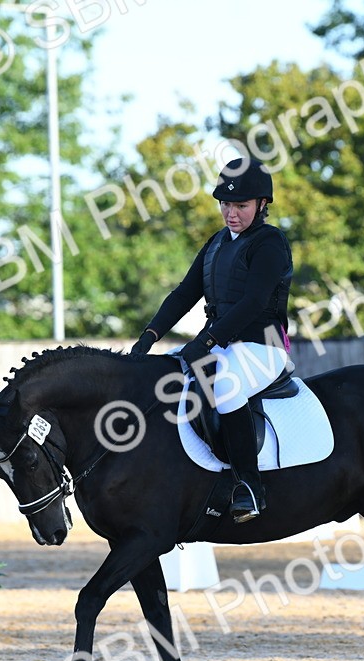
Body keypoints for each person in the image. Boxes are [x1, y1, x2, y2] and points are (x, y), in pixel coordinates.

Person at [131, 157, 293, 523]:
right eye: (226, 204)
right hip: (220, 343)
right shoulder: (217, 243)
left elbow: (253, 302)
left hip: (262, 346)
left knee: (225, 387)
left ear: (262, 204)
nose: (231, 213)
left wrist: (204, 342)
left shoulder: (270, 243)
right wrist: (149, 336)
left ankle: (249, 487)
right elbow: (184, 293)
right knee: (162, 373)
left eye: (241, 206)